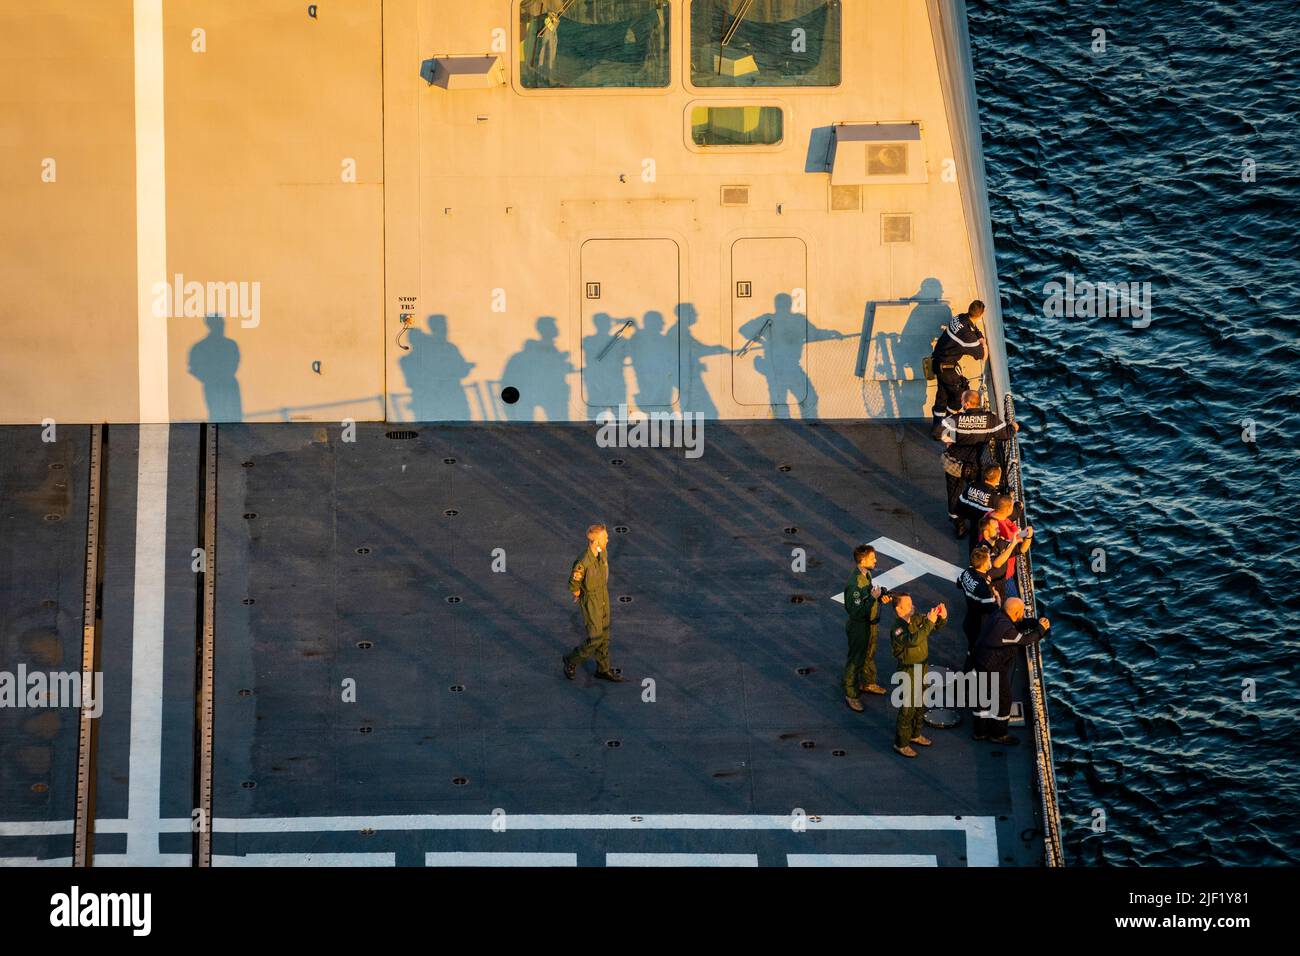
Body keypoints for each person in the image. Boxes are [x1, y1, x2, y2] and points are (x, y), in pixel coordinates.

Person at [970, 598, 1049, 744]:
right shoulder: (1006, 630)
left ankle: (979, 731)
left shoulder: (998, 615)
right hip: (992, 668)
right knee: (1004, 700)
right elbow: (1025, 640)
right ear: (1016, 612)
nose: (1023, 614)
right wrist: (1041, 630)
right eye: (1022, 612)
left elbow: (1018, 623)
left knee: (983, 698)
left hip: (980, 662)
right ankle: (998, 734)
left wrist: (1034, 622)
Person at [940, 391, 1014, 537]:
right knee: (978, 491)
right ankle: (980, 522)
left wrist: (949, 440)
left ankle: (958, 524)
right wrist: (1014, 427)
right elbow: (1006, 434)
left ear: (966, 404)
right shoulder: (990, 420)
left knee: (954, 491)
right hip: (978, 464)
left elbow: (937, 433)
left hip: (956, 462)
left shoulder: (956, 419)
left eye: (962, 401)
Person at [562, 524, 625, 682]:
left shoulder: (602, 552)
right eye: (605, 537)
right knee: (595, 637)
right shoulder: (583, 561)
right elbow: (573, 584)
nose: (608, 539)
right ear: (596, 541)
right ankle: (571, 659)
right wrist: (581, 595)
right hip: (591, 600)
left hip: (603, 596)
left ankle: (603, 669)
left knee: (604, 635)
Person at [888, 593, 947, 758]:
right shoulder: (897, 629)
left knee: (920, 704)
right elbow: (913, 640)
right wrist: (929, 622)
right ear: (899, 608)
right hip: (909, 671)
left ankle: (915, 734)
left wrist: (941, 617)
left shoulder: (915, 619)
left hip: (922, 667)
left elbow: (935, 626)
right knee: (908, 709)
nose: (912, 606)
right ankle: (901, 743)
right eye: (908, 604)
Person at [842, 544, 891, 712]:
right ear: (862, 561)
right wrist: (873, 598)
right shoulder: (855, 585)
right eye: (872, 558)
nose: (875, 560)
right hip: (859, 627)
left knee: (869, 653)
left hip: (870, 624)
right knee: (855, 660)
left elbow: (869, 598)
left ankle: (867, 682)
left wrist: (879, 598)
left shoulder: (866, 574)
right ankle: (851, 693)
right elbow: (855, 611)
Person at [929, 300, 987, 439]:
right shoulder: (967, 335)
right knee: (959, 396)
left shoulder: (960, 318)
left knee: (942, 397)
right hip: (949, 369)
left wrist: (978, 334)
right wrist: (983, 343)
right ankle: (944, 426)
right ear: (982, 314)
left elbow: (973, 329)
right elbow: (981, 355)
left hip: (937, 363)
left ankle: (937, 428)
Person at [958, 547, 1000, 668]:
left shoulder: (967, 572)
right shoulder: (984, 589)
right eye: (989, 559)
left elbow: (958, 584)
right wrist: (998, 598)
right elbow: (995, 611)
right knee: (978, 655)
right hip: (980, 626)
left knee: (971, 650)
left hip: (969, 621)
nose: (991, 561)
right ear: (984, 563)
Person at [986, 495, 1033, 600]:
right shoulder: (1007, 533)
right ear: (1008, 510)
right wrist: (1029, 536)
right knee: (1013, 601)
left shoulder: (989, 515)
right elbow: (1021, 549)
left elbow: (1009, 516)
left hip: (987, 568)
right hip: (1005, 575)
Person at [957, 465, 1003, 547]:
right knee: (978, 542)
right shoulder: (995, 496)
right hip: (983, 526)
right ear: (997, 479)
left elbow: (960, 502)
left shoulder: (972, 485)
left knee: (972, 539)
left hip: (970, 516)